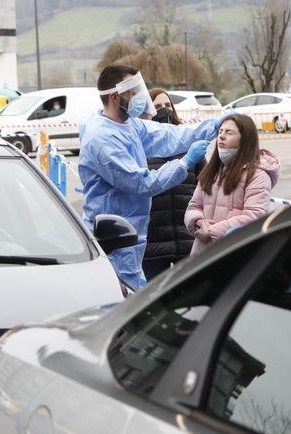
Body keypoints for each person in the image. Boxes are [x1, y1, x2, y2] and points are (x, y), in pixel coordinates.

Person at [79, 64, 228, 289]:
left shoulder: (127, 125)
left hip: (131, 234)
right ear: (113, 97)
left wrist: (209, 128)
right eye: (132, 93)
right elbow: (142, 183)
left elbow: (165, 136)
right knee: (114, 302)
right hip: (113, 239)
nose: (139, 97)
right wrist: (185, 162)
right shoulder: (102, 140)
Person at [184, 113, 280, 253]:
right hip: (203, 254)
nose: (221, 136)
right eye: (220, 132)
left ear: (245, 139)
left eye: (229, 132)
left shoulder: (258, 174)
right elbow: (193, 206)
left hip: (235, 252)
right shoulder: (212, 171)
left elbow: (254, 216)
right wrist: (198, 222)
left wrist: (211, 232)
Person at [142, 88, 198, 279]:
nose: (164, 110)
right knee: (156, 299)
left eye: (167, 105)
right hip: (154, 240)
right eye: (157, 106)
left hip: (187, 237)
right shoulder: (140, 147)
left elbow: (206, 183)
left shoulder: (188, 143)